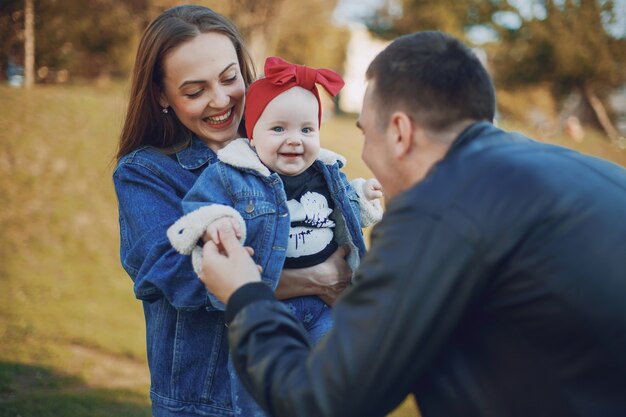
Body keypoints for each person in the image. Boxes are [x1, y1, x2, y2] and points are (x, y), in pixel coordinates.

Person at [198, 31, 626, 417]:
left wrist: (244, 294)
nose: (363, 154)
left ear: (400, 132)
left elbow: (320, 399)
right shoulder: (594, 172)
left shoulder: (441, 207)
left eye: (366, 133)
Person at [112, 6, 353, 417]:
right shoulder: (146, 172)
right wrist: (317, 277)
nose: (221, 101)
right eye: (194, 91)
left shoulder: (284, 150)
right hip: (205, 401)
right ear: (161, 96)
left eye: (229, 79)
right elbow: (179, 276)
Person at [166, 56, 383, 416]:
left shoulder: (326, 171)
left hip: (326, 308)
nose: (294, 140)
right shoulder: (235, 174)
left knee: (336, 388)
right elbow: (202, 204)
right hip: (267, 311)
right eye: (278, 129)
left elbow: (344, 211)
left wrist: (363, 196)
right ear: (252, 135)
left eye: (306, 130)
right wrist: (217, 221)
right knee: (258, 389)